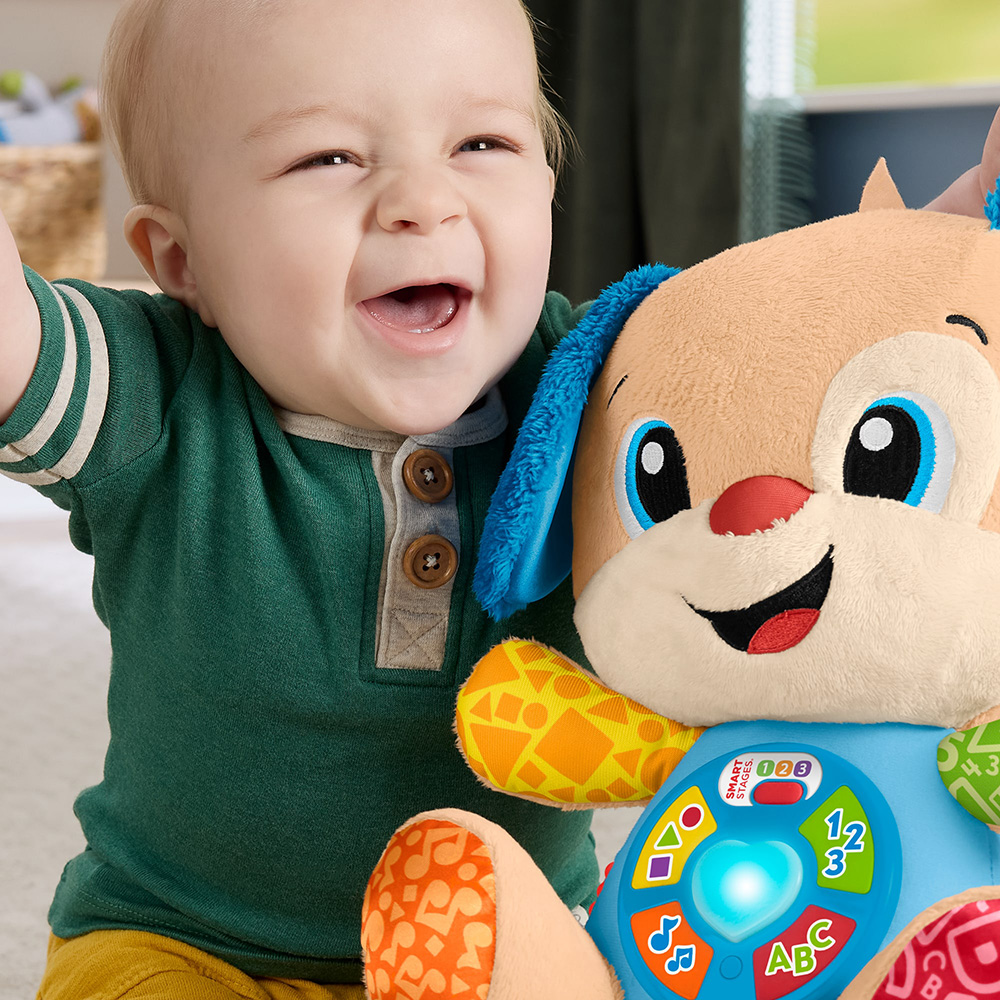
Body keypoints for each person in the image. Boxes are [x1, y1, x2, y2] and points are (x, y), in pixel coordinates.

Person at [0, 0, 996, 997]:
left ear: (546, 188)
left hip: (501, 949)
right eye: (327, 158)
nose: (421, 202)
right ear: (183, 261)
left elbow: (799, 331)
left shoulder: (597, 384)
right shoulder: (150, 394)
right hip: (187, 946)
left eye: (482, 143)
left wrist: (951, 231)